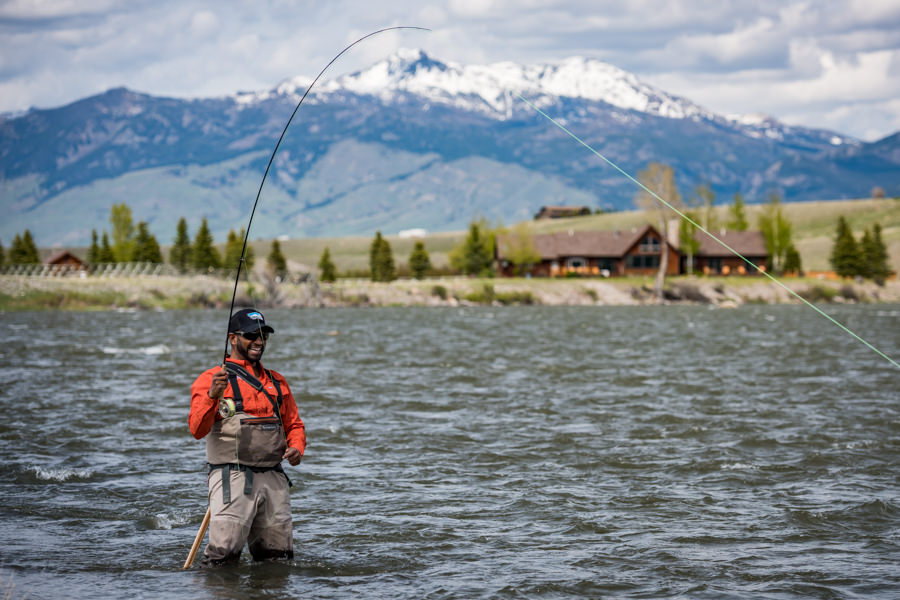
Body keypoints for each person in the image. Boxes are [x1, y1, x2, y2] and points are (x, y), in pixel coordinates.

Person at [189, 308, 306, 564]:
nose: (259, 341)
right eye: (252, 335)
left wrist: (297, 448)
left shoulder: (277, 381)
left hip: (274, 479)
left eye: (263, 335)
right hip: (232, 478)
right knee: (223, 559)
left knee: (278, 559)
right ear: (233, 339)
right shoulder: (211, 379)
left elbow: (294, 425)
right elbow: (197, 430)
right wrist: (211, 396)